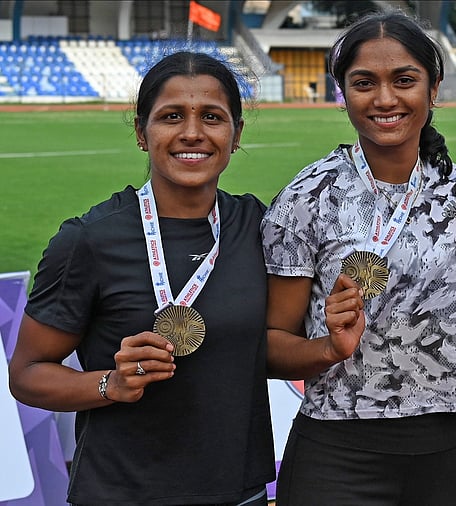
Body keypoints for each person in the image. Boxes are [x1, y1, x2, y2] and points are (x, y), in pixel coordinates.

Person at [8, 51, 275, 505]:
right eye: (171, 116)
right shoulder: (88, 240)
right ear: (140, 132)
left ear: (236, 134)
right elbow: (27, 375)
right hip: (121, 493)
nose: (192, 132)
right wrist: (108, 383)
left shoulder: (258, 226)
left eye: (212, 116)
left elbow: (283, 339)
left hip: (239, 492)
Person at [261, 11, 456, 505]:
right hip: (336, 453)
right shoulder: (307, 196)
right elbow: (270, 344)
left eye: (404, 80)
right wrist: (329, 348)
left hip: (441, 450)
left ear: (433, 91)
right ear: (342, 94)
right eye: (364, 83)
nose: (385, 99)